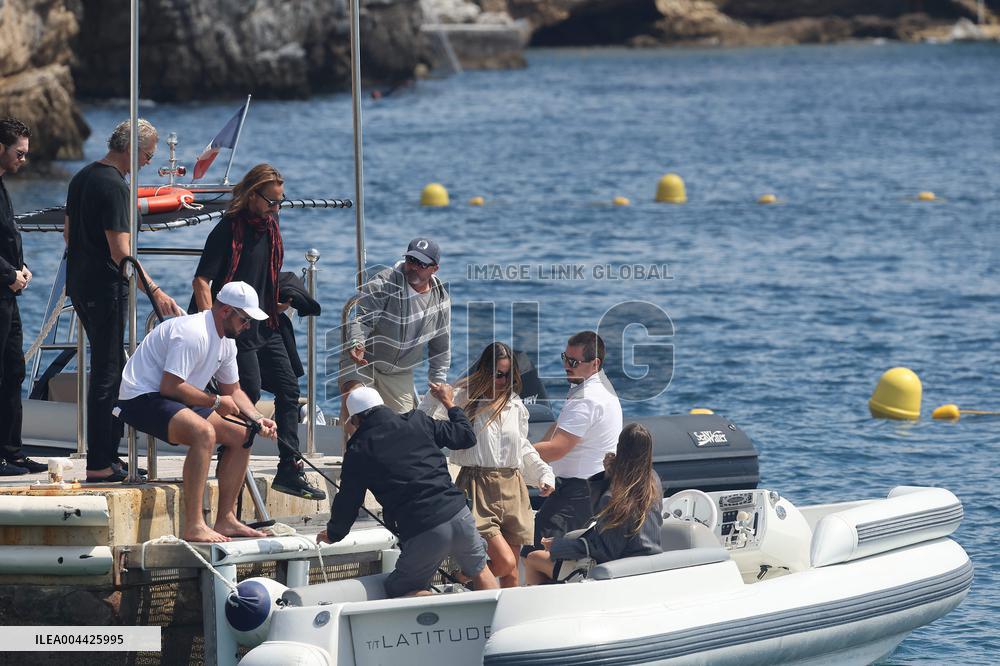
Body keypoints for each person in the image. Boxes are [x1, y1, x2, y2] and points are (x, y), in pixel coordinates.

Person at [191, 164, 324, 500]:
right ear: (252, 195)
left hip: (267, 323)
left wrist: (280, 300)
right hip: (235, 328)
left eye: (281, 201)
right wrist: (211, 327)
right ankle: (228, 463)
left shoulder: (271, 225)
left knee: (289, 389)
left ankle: (289, 468)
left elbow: (267, 273)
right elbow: (201, 280)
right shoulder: (227, 229)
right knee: (246, 392)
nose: (276, 208)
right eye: (271, 201)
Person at [65, 118, 185, 482]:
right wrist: (156, 291)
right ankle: (101, 462)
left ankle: (106, 456)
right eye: (148, 155)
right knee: (108, 373)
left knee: (107, 367)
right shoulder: (116, 187)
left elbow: (69, 235)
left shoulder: (82, 176)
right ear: (131, 149)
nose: (148, 162)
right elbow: (123, 254)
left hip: (80, 285)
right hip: (106, 289)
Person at [115, 281, 277, 542]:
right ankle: (194, 525)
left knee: (243, 433)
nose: (248, 326)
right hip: (141, 396)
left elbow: (233, 390)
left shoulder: (227, 342)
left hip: (176, 396)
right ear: (225, 311)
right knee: (204, 433)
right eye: (245, 319)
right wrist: (215, 402)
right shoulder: (193, 332)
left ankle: (225, 519)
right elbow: (170, 386)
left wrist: (258, 419)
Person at [317, 386, 499, 598]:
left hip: (423, 528)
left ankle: (440, 615)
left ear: (356, 420)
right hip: (459, 514)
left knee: (398, 589)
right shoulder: (418, 421)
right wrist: (449, 403)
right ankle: (495, 623)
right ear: (382, 406)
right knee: (480, 570)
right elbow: (465, 436)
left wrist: (334, 533)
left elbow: (349, 499)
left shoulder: (359, 449)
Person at [420, 342, 555, 587]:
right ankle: (458, 580)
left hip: (513, 488)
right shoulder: (463, 398)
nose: (503, 381)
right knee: (504, 563)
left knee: (512, 573)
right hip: (476, 486)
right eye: (498, 374)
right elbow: (424, 423)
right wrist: (435, 396)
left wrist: (543, 474)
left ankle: (507, 616)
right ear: (484, 371)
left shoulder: (516, 405)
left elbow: (521, 446)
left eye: (508, 376)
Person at [524, 423, 663, 585]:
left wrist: (558, 546)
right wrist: (610, 475)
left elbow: (605, 550)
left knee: (533, 558)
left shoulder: (616, 494)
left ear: (620, 449)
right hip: (648, 561)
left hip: (616, 566)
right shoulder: (654, 481)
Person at [339, 237, 450, 436]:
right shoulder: (384, 282)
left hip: (399, 371)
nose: (413, 267)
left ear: (434, 268)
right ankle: (354, 461)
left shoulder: (441, 299)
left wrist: (437, 381)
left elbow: (441, 346)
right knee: (358, 413)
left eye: (421, 264)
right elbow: (362, 320)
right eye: (411, 260)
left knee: (401, 432)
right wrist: (357, 342)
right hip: (363, 360)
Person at [526, 330, 623, 553]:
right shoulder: (592, 385)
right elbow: (559, 427)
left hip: (578, 492)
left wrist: (513, 455)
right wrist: (539, 466)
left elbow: (558, 448)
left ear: (595, 363)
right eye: (564, 358)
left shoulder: (586, 398)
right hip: (592, 487)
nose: (566, 365)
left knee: (536, 551)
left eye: (573, 361)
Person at [0, 118, 45, 476]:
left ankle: (12, 452)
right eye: (19, 153)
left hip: (8, 295)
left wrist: (22, 266)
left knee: (14, 371)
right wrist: (9, 273)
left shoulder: (2, 186)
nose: (24, 160)